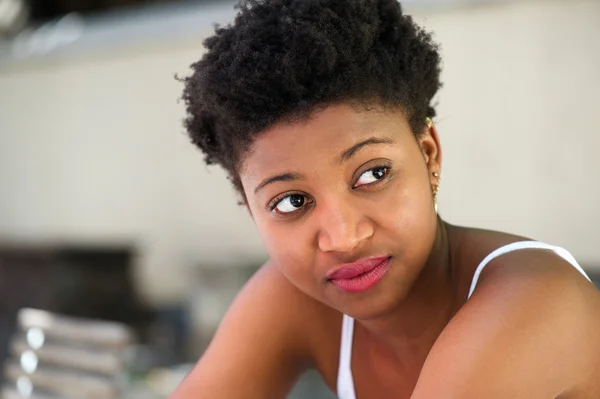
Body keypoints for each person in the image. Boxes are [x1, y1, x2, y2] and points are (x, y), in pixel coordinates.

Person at [170, 0, 600, 397]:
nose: (344, 237)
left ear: (428, 154)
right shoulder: (291, 298)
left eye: (373, 174)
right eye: (291, 202)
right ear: (251, 210)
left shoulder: (535, 296)